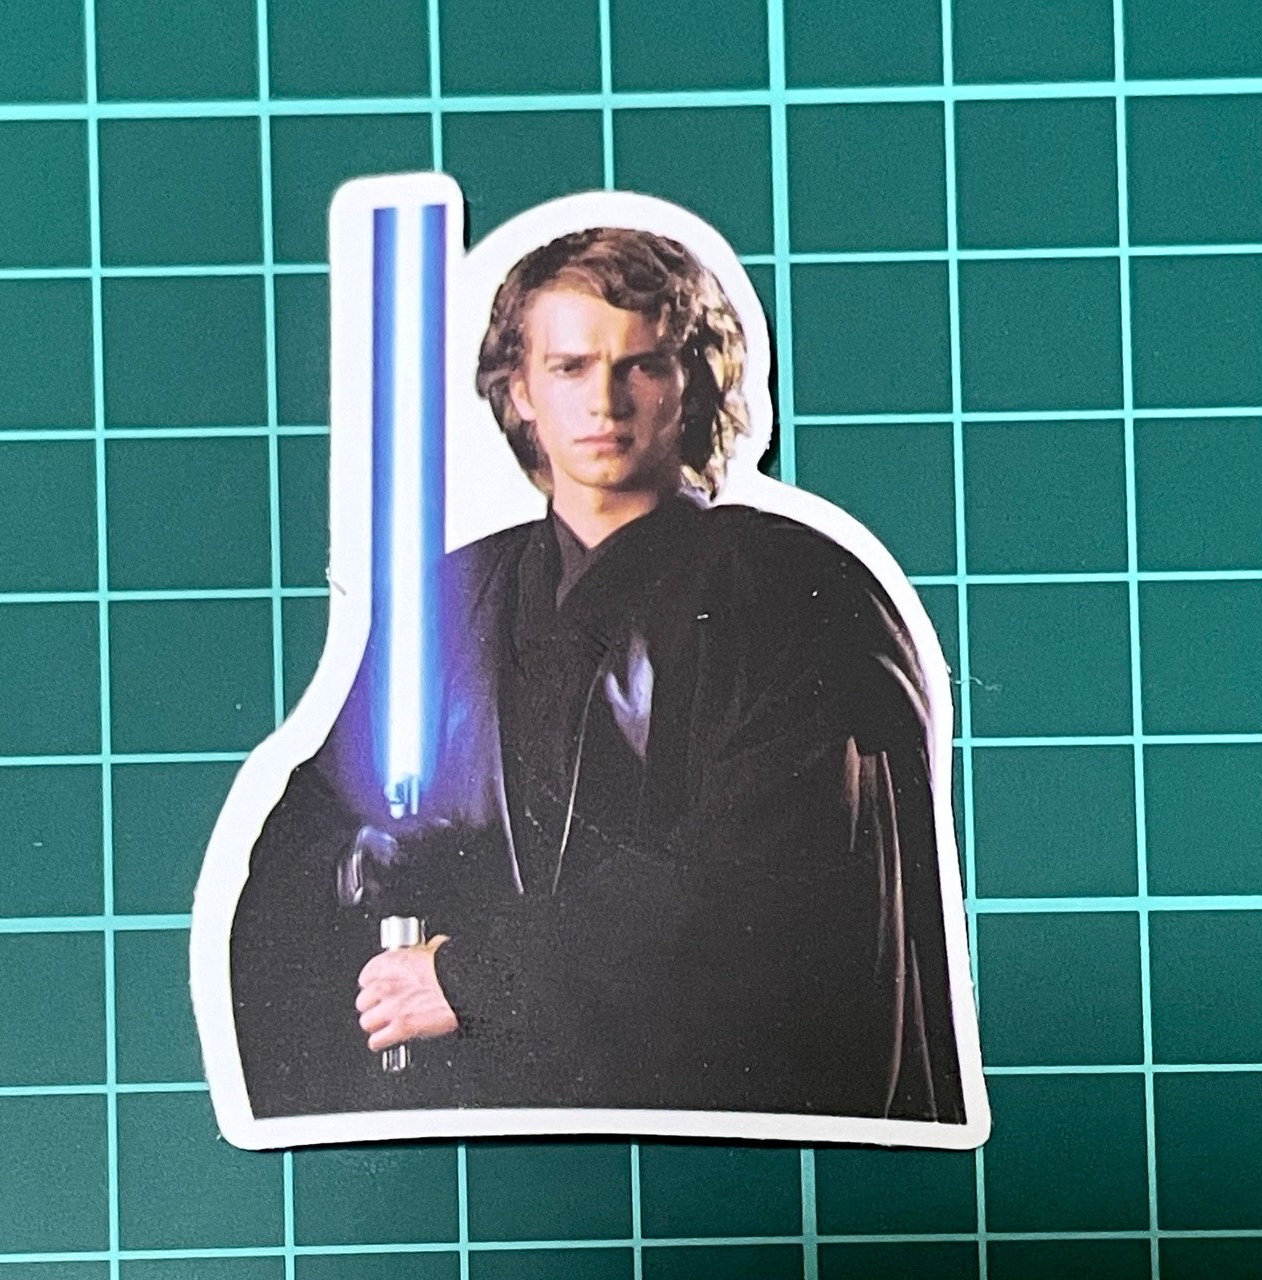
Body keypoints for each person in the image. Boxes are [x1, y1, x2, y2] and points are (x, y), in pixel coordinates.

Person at [230, 227, 965, 1124]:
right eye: (571, 366)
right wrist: (367, 874)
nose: (605, 401)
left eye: (641, 366)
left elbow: (772, 897)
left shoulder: (785, 588)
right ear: (520, 389)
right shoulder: (456, 597)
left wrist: (476, 977)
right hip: (488, 1125)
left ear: (693, 381)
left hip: (714, 1121)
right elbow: (299, 856)